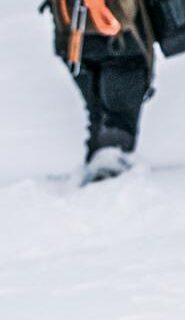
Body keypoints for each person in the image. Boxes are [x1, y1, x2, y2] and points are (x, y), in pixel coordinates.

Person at [44, 0, 157, 183]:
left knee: (98, 113)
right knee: (117, 118)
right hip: (121, 38)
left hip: (74, 39)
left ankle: (97, 166)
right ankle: (109, 171)